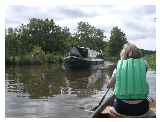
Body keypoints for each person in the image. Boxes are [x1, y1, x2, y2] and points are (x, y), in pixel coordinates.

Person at [106, 43, 149, 117]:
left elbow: (109, 85)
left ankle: (114, 111)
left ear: (124, 53)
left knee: (109, 108)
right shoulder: (145, 64)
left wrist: (107, 80)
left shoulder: (118, 66)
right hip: (142, 108)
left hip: (122, 108)